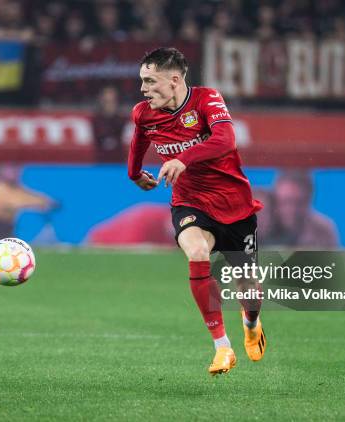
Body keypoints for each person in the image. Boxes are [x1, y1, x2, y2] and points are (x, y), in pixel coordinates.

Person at [128, 47, 265, 375]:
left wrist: (182, 159)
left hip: (235, 205)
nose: (144, 89)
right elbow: (139, 142)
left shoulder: (207, 100)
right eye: (142, 82)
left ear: (174, 80)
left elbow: (226, 139)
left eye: (150, 81)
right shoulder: (144, 113)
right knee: (197, 251)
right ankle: (222, 348)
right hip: (190, 202)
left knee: (249, 290)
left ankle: (251, 322)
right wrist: (134, 174)